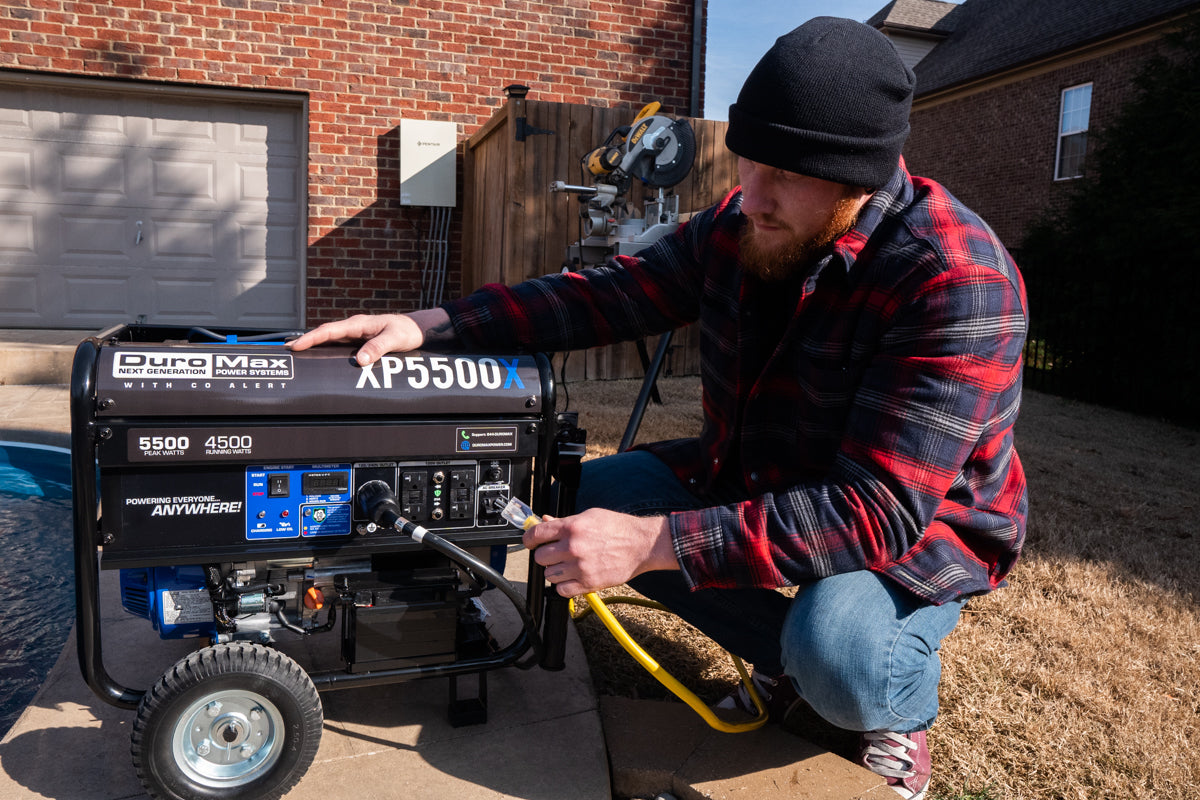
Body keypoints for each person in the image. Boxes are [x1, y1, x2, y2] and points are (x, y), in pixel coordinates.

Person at [290, 17, 1028, 799]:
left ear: (860, 179)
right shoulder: (743, 227)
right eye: (750, 160)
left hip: (912, 525)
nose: (753, 194)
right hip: (763, 472)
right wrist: (433, 325)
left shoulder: (954, 281)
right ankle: (786, 664)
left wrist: (657, 541)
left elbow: (875, 512)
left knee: (838, 647)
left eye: (788, 174)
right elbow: (604, 297)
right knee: (591, 499)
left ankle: (889, 705)